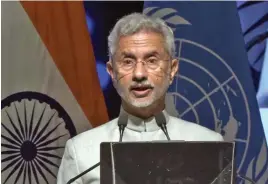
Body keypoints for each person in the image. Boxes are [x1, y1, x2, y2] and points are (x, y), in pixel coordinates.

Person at [57, 12, 223, 184]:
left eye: (151, 60)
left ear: (172, 69)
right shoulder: (81, 152)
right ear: (112, 72)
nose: (139, 74)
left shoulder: (209, 146)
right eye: (127, 61)